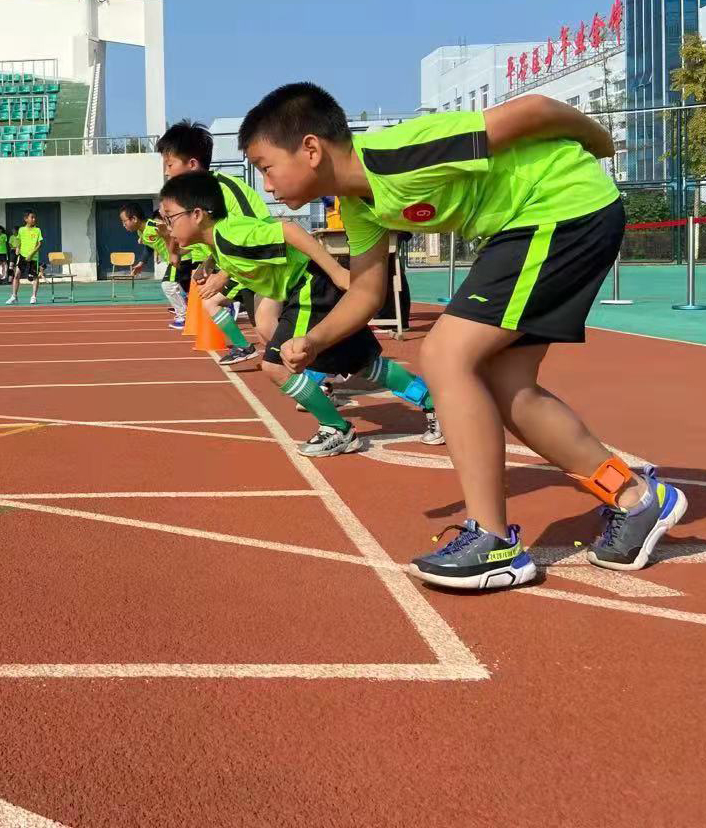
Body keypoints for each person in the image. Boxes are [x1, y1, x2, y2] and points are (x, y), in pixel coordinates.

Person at [238, 81, 687, 590]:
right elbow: (365, 292)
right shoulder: (362, 204)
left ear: (312, 149)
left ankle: (494, 543)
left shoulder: (398, 154)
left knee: (447, 355)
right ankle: (635, 498)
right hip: (530, 225)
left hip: (561, 208)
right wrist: (316, 340)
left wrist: (600, 143)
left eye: (266, 165)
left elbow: (534, 109)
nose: (267, 185)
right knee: (505, 383)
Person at [158, 170, 440, 455]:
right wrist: (212, 263)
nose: (167, 227)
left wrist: (338, 272)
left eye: (169, 217)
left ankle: (337, 429)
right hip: (310, 288)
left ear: (197, 215)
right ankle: (435, 404)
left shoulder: (230, 235)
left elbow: (288, 230)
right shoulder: (220, 241)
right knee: (365, 364)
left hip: (309, 287)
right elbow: (246, 254)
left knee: (275, 365)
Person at [157, 119, 271, 365]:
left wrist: (223, 275)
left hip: (265, 265)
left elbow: (255, 234)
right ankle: (243, 346)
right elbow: (221, 239)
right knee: (212, 302)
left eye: (169, 164)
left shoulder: (225, 189)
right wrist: (209, 263)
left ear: (192, 164)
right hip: (243, 268)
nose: (166, 172)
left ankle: (327, 370)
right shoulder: (194, 198)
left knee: (268, 330)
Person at [119, 201, 188, 329]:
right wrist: (142, 263)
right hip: (175, 260)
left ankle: (183, 316)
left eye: (124, 221)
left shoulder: (154, 226)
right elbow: (149, 246)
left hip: (182, 258)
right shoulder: (142, 231)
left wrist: (175, 253)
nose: (123, 225)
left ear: (134, 219)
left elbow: (171, 235)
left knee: (168, 284)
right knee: (188, 287)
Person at [7, 210, 43, 305]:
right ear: (26, 219)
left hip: (33, 258)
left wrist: (31, 254)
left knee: (34, 277)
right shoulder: (21, 230)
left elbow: (39, 244)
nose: (34, 219)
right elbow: (19, 240)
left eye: (34, 217)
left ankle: (34, 297)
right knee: (17, 275)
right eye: (32, 217)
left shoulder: (37, 230)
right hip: (23, 257)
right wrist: (18, 248)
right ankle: (14, 296)